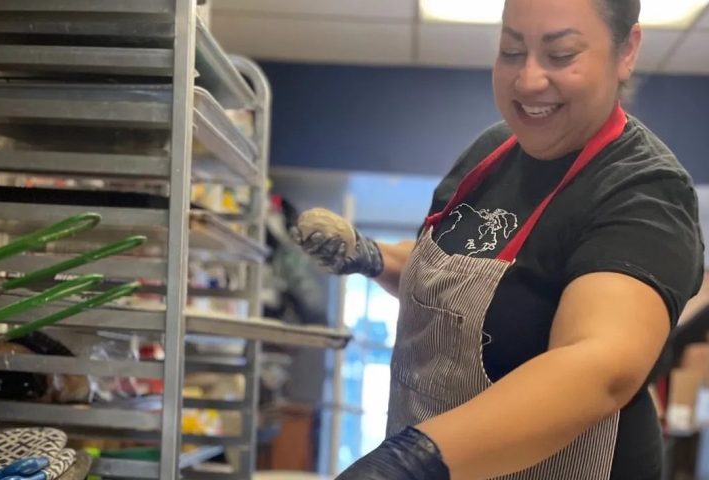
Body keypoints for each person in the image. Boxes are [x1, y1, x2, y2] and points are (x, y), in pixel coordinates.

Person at [290, 0, 705, 478]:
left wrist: (411, 463)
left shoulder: (644, 188)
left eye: (561, 53)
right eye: (511, 50)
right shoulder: (491, 151)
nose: (527, 81)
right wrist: (371, 256)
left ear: (626, 50)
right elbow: (452, 271)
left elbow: (598, 365)